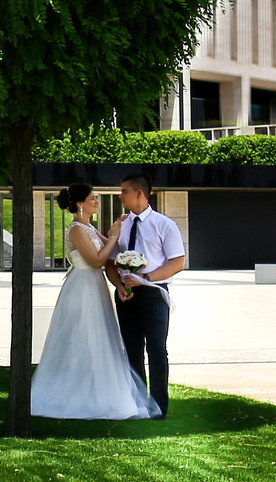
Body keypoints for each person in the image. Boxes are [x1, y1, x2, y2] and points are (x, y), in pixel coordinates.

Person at [30, 181, 162, 421]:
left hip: (95, 287)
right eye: (93, 198)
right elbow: (97, 260)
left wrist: (120, 231)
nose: (96, 202)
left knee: (100, 338)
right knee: (83, 337)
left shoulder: (88, 227)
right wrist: (113, 236)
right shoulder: (76, 229)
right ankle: (76, 392)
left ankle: (98, 389)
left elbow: (111, 250)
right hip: (82, 288)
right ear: (80, 203)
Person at [108, 171, 185, 414]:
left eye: (124, 191)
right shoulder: (120, 225)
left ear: (139, 193)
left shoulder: (164, 224)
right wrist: (120, 286)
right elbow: (110, 262)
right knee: (132, 350)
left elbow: (177, 262)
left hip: (154, 294)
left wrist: (146, 279)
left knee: (156, 348)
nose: (120, 196)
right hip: (126, 295)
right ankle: (137, 404)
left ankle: (159, 406)